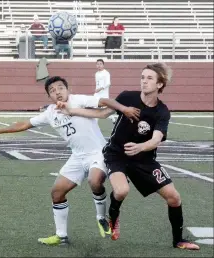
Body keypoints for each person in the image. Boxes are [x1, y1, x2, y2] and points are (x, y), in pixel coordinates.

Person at [56, 63, 200, 250]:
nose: (144, 81)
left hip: (144, 159)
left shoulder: (162, 111)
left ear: (159, 84)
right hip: (116, 155)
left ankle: (178, 240)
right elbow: (102, 113)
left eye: (149, 78)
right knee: (122, 190)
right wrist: (72, 110)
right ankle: (113, 216)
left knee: (174, 197)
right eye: (142, 77)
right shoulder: (127, 97)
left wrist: (141, 147)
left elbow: (156, 139)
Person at [0, 76, 140, 245]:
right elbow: (24, 124)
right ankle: (61, 236)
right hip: (77, 157)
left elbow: (104, 100)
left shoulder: (78, 100)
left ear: (67, 89)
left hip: (98, 153)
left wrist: (124, 109)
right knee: (57, 193)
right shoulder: (50, 113)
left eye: (60, 88)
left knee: (94, 180)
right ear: (49, 96)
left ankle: (101, 217)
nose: (57, 92)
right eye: (52, 91)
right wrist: (0, 130)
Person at [94, 59, 116, 124]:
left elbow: (108, 83)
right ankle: (95, 123)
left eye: (100, 64)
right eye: (97, 64)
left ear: (103, 65)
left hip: (104, 95)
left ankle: (112, 118)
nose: (99, 65)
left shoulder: (106, 73)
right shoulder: (96, 74)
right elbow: (97, 84)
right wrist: (96, 90)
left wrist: (100, 89)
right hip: (97, 94)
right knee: (95, 107)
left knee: (105, 109)